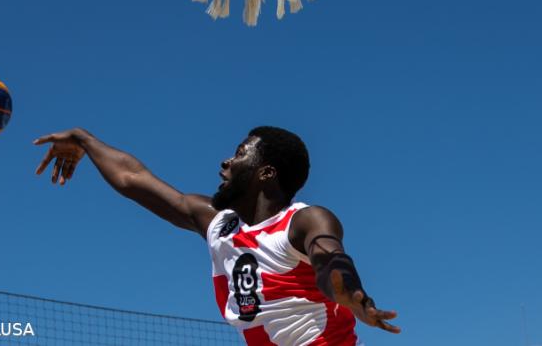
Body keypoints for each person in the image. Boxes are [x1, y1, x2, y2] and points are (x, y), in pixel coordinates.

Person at [34, 126, 400, 345]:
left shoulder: (302, 220)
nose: (226, 161)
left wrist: (348, 292)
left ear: (266, 173)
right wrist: (84, 139)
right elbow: (134, 178)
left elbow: (328, 255)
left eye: (241, 154)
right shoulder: (218, 223)